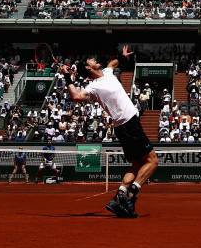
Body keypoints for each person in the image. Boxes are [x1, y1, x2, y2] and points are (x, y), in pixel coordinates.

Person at [62, 45, 158, 218]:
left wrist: (122, 57)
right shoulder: (93, 87)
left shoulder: (107, 71)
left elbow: (114, 63)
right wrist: (67, 77)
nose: (91, 60)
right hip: (129, 124)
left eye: (91, 60)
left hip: (123, 126)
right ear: (91, 68)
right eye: (89, 62)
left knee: (137, 164)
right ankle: (131, 196)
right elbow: (76, 96)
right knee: (153, 161)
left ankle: (119, 196)